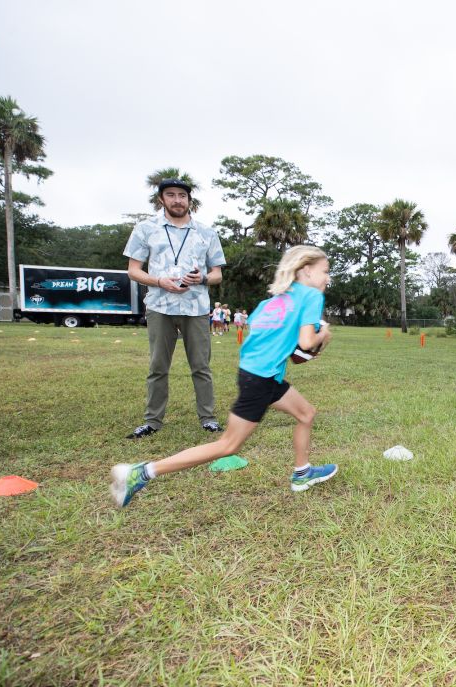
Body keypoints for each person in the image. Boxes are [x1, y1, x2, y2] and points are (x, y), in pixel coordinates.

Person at [111, 245, 338, 507]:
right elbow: (307, 343)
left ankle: (302, 473)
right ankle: (142, 472)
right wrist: (324, 335)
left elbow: (274, 343)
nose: (327, 278)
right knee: (228, 445)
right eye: (325, 271)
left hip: (256, 374)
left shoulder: (270, 303)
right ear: (307, 271)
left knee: (306, 413)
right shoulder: (310, 297)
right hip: (261, 380)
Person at [123, 177, 227, 439]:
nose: (177, 200)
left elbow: (217, 274)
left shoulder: (206, 232)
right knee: (158, 366)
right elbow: (133, 271)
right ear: (162, 199)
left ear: (189, 200)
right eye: (171, 195)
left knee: (201, 366)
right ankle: (152, 421)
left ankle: (208, 418)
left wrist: (201, 278)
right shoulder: (146, 229)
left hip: (197, 307)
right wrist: (159, 281)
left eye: (182, 195)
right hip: (160, 305)